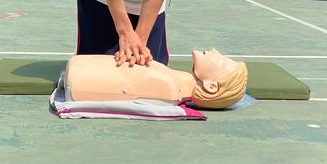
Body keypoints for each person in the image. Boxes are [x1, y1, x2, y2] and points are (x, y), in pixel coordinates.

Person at [64, 49, 248, 110]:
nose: (216, 52)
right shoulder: (168, 77)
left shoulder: (167, 87)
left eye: (222, 62)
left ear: (210, 85)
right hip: (79, 68)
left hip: (78, 75)